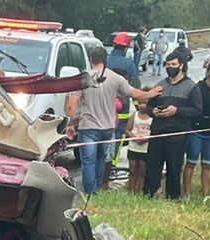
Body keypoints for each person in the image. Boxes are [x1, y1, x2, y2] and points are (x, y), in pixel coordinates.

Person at [64, 44, 162, 196]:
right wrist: (152, 93)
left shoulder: (83, 79)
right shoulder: (116, 78)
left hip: (88, 127)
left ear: (91, 60)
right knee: (101, 159)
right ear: (106, 60)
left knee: (88, 161)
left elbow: (71, 108)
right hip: (108, 128)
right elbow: (135, 94)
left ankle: (91, 193)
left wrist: (71, 123)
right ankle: (97, 189)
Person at [143, 50, 202, 199]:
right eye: (168, 64)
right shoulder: (159, 85)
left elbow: (197, 110)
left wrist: (177, 111)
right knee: (152, 168)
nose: (170, 67)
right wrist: (154, 111)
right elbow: (148, 107)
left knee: (174, 169)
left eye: (173, 64)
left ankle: (173, 197)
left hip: (177, 135)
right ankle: (148, 195)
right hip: (157, 133)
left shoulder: (191, 86)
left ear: (181, 66)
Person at [184, 59, 210, 199]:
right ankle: (187, 193)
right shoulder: (198, 87)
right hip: (196, 131)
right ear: (208, 72)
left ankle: (205, 194)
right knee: (191, 162)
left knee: (208, 164)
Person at [124, 106, 152, 193]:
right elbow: (127, 130)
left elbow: (154, 132)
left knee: (142, 172)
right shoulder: (134, 115)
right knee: (132, 171)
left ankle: (140, 191)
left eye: (145, 103)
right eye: (140, 103)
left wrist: (146, 139)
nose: (142, 105)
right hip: (133, 147)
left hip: (145, 148)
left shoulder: (152, 117)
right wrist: (135, 138)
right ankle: (131, 191)